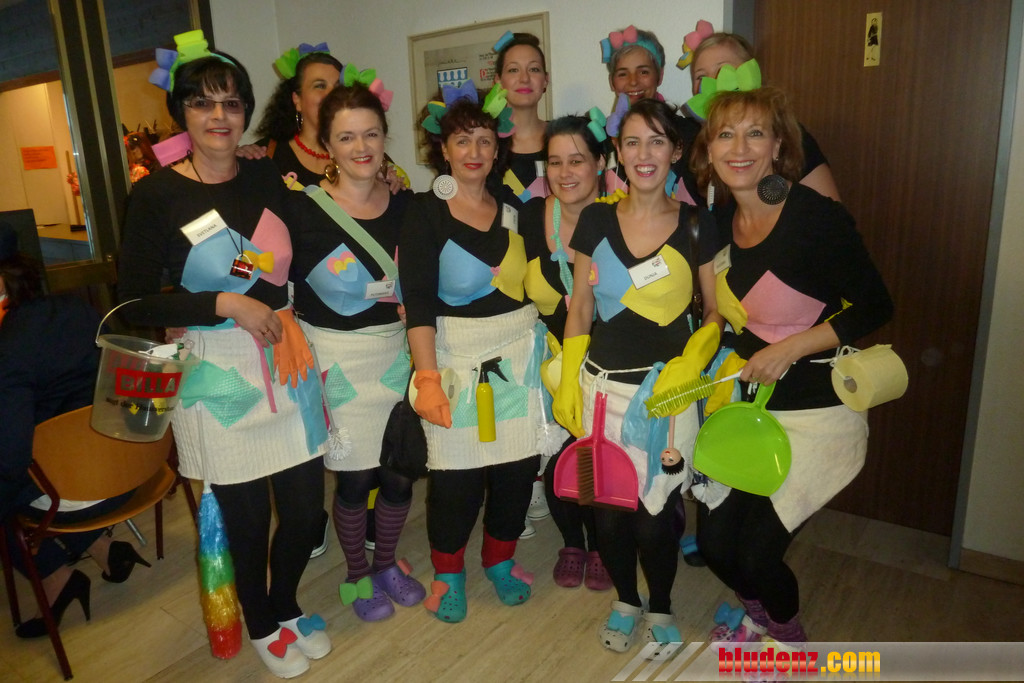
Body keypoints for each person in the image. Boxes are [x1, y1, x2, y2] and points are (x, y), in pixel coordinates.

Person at [118, 34, 330, 678]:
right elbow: (132, 304)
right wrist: (224, 303)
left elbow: (307, 239)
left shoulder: (265, 174)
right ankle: (260, 622)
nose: (219, 116)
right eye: (203, 103)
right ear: (181, 112)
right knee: (245, 518)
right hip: (215, 370)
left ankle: (286, 602)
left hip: (285, 356)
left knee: (304, 511)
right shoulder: (156, 196)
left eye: (232, 104)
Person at [689, 86, 892, 645]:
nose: (739, 148)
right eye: (725, 134)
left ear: (778, 146)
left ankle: (785, 635)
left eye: (755, 133)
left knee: (756, 554)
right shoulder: (719, 222)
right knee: (715, 545)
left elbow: (877, 306)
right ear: (709, 149)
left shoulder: (813, 216)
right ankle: (758, 613)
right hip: (750, 408)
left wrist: (790, 347)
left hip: (818, 410)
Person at [553, 99, 720, 652]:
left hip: (667, 396)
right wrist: (569, 380)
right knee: (606, 515)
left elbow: (714, 312)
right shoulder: (596, 219)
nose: (643, 154)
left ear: (676, 151)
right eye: (632, 142)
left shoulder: (698, 224)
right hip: (598, 391)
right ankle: (626, 599)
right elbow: (580, 307)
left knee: (655, 516)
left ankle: (663, 605)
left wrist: (694, 362)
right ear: (617, 154)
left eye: (656, 141)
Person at [400, 84, 541, 624]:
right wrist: (427, 377)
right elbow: (417, 300)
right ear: (444, 149)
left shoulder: (514, 208)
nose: (475, 151)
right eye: (463, 140)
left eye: (484, 140)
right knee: (454, 476)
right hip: (454, 357)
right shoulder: (424, 212)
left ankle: (500, 560)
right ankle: (449, 573)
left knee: (515, 469)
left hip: (517, 353)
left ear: (497, 147)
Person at [288, 80, 426, 622]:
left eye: (371, 134)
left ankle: (386, 562)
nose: (361, 147)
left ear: (385, 136)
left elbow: (428, 274)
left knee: (398, 471)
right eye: (346, 137)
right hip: (336, 361)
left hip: (396, 356)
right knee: (354, 477)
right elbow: (258, 270)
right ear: (327, 144)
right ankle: (355, 575)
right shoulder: (302, 210)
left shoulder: (409, 206)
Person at [0, 227, 150, 639]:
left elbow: (11, 460)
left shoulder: (9, 350)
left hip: (85, 489)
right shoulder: (78, 308)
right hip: (134, 466)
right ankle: (105, 549)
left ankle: (55, 577)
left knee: (6, 490)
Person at [520, 113, 612, 590]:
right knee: (559, 457)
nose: (564, 172)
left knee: (596, 460)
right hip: (549, 362)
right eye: (554, 162)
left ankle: (601, 543)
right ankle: (572, 541)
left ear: (601, 162)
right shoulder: (531, 217)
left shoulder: (624, 217)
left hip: (608, 361)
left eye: (577, 160)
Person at [687, 31, 841, 201]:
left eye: (722, 71)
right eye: (700, 76)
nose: (710, 83)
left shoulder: (786, 134)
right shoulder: (693, 138)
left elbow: (829, 211)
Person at [600, 25, 701, 205]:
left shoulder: (690, 134)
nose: (633, 81)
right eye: (623, 74)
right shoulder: (599, 138)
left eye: (643, 72)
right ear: (612, 82)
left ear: (660, 76)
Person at [252, 43, 344, 188]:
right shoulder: (264, 155)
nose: (331, 95)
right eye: (320, 86)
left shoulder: (360, 153)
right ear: (297, 99)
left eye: (338, 88)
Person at [493, 31, 550, 203]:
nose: (524, 78)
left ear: (545, 80)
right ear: (498, 81)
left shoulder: (565, 138)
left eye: (534, 69)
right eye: (513, 70)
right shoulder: (484, 143)